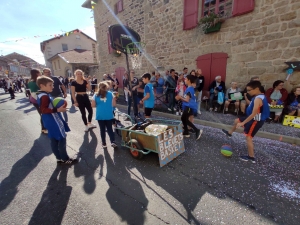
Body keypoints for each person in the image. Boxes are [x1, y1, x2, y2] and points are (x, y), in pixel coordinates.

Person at [222, 81, 270, 163]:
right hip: (250, 117)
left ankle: (251, 157)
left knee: (248, 137)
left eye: (249, 90)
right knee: (237, 120)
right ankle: (229, 133)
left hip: (255, 120)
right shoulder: (259, 96)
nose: (248, 92)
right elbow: (250, 104)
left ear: (257, 89)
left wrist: (243, 123)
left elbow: (254, 113)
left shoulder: (258, 99)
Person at [36, 76, 77, 164]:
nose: (53, 87)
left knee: (53, 140)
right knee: (62, 138)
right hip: (53, 120)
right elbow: (43, 110)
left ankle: (59, 158)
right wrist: (57, 110)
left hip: (48, 120)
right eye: (50, 85)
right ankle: (65, 158)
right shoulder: (45, 96)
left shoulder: (40, 95)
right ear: (42, 85)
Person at [176, 75, 202, 140]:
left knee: (184, 118)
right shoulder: (190, 88)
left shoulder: (189, 89)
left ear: (189, 80)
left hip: (189, 107)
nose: (185, 80)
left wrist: (179, 97)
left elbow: (187, 100)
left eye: (186, 79)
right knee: (183, 118)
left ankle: (197, 130)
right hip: (189, 107)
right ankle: (186, 132)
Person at [91, 82, 117, 148]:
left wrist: (99, 104)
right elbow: (114, 104)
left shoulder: (95, 95)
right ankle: (112, 141)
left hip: (100, 114)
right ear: (106, 87)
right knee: (110, 129)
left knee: (102, 129)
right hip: (109, 114)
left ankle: (104, 143)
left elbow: (93, 105)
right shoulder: (111, 94)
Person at [28, 69, 47, 134]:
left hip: (35, 99)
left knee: (42, 113)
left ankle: (45, 128)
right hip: (37, 99)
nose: (40, 73)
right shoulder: (35, 82)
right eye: (39, 72)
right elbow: (34, 93)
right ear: (36, 74)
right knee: (43, 113)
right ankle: (44, 129)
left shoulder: (31, 81)